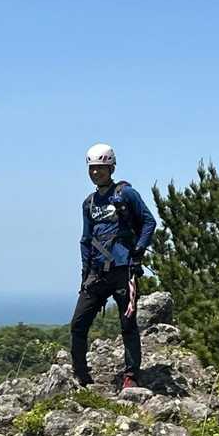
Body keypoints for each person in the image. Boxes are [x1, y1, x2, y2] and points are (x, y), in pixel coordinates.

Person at [71, 142, 157, 389]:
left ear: (111, 168)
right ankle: (81, 376)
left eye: (100, 167)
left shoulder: (126, 194)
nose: (95, 172)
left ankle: (131, 375)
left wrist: (138, 250)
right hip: (97, 273)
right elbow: (86, 239)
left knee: (127, 324)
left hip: (123, 270)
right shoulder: (89, 203)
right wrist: (85, 272)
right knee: (78, 324)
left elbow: (149, 222)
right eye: (92, 168)